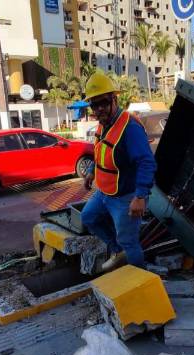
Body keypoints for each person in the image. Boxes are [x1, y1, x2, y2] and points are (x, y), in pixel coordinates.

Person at [81, 72, 156, 271]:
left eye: (103, 103)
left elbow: (147, 162)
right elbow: (100, 150)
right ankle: (117, 251)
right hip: (104, 193)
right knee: (88, 217)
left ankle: (140, 279)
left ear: (114, 99)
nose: (99, 109)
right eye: (94, 105)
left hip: (125, 197)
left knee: (129, 242)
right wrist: (91, 171)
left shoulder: (130, 127)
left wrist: (140, 196)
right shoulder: (103, 123)